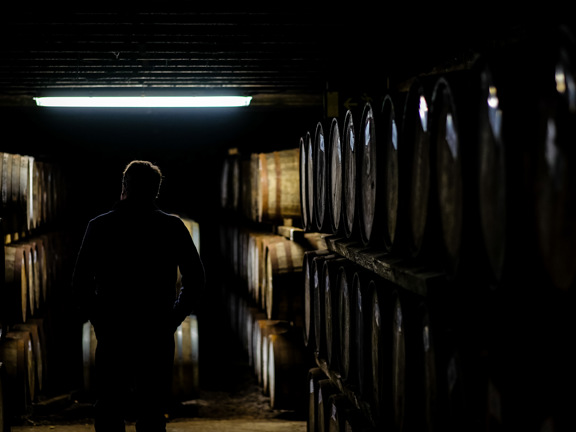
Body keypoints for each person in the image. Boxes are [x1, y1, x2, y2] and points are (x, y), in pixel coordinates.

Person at [72, 160, 205, 432]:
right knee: (152, 413)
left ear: (124, 188)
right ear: (156, 191)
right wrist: (174, 319)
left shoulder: (99, 226)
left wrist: (99, 319)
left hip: (113, 331)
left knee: (109, 410)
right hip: (156, 331)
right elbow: (196, 279)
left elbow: (79, 282)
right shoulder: (172, 226)